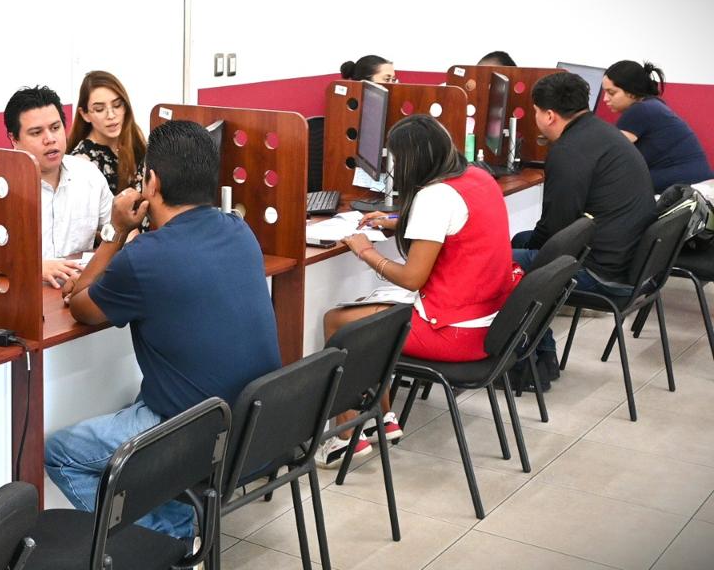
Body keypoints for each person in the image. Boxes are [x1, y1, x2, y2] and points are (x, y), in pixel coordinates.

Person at [48, 120, 281, 539]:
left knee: (58, 453)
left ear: (151, 182)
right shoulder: (239, 230)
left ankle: (165, 537)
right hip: (257, 432)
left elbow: (81, 305)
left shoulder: (145, 258)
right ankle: (175, 520)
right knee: (142, 397)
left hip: (199, 436)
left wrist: (117, 231)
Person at [319, 115, 520, 467]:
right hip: (491, 321)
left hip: (456, 333)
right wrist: (397, 221)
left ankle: (345, 436)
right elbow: (457, 224)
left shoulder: (434, 197)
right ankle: (382, 419)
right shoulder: (477, 176)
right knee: (371, 316)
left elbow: (412, 278)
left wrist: (366, 252)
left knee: (340, 322)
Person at [511, 72, 656, 375]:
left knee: (500, 264)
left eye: (535, 111)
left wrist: (527, 258)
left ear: (549, 115)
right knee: (520, 242)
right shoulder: (601, 133)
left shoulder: (568, 151)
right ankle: (541, 354)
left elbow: (555, 231)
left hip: (602, 272)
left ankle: (531, 366)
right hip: (628, 262)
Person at [4, 85, 113, 288]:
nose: (50, 139)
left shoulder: (89, 175)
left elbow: (120, 230)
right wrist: (34, 268)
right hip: (21, 295)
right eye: (36, 132)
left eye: (55, 128)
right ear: (14, 139)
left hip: (78, 292)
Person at [602, 60, 712, 194]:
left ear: (631, 91)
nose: (605, 99)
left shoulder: (639, 110)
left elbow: (608, 153)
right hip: (699, 186)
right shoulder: (653, 105)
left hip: (686, 189)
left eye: (611, 92)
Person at [67, 70, 148, 194]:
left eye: (117, 105)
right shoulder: (81, 162)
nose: (111, 115)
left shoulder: (134, 137)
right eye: (99, 109)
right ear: (84, 114)